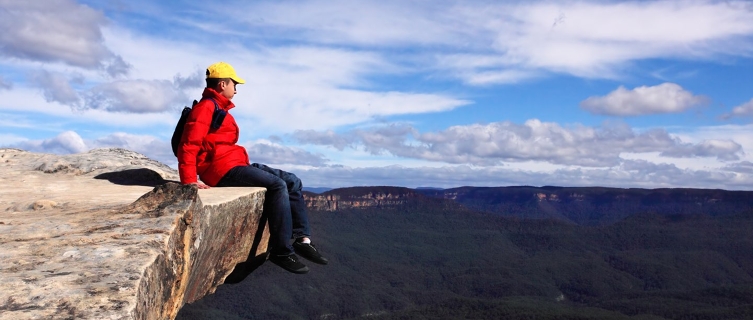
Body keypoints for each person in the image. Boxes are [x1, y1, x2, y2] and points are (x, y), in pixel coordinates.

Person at [176, 61, 327, 274]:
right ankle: (281, 250)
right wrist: (190, 179)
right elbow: (188, 144)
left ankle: (302, 239)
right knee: (277, 185)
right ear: (222, 85)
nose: (236, 89)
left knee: (293, 181)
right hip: (221, 169)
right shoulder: (206, 107)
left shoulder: (218, 108)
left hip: (236, 163)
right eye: (234, 84)